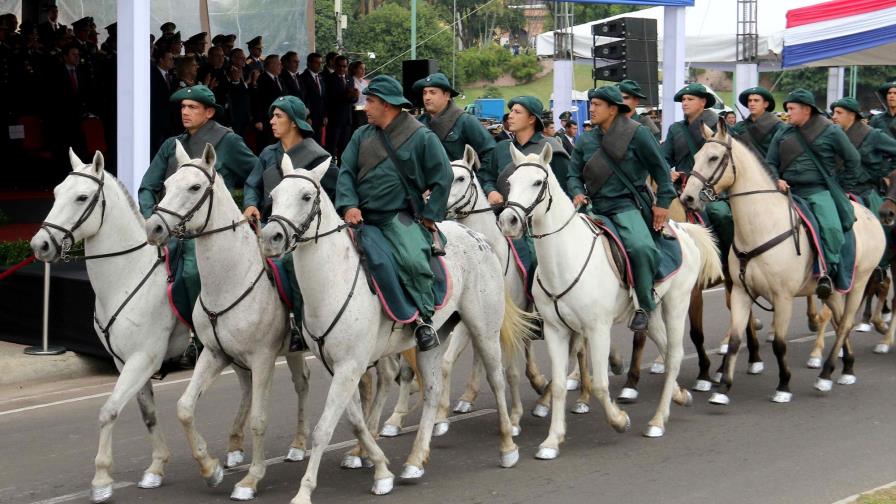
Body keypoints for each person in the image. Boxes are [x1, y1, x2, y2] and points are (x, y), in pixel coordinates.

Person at [335, 75, 451, 351]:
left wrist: (430, 215)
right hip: (359, 217)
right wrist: (349, 205)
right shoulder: (361, 135)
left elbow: (443, 176)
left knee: (412, 261)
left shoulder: (421, 137)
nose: (366, 108)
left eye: (370, 102)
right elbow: (347, 172)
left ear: (387, 105)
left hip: (395, 217)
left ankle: (423, 320)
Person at [138, 85, 260, 305]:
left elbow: (258, 176)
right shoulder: (171, 145)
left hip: (210, 233)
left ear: (209, 112)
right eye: (183, 107)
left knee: (191, 274)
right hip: (168, 227)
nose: (185, 112)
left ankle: (197, 331)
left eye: (192, 107)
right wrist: (150, 217)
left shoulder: (228, 141)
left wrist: (250, 203)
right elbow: (147, 186)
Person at [569, 86, 675, 331]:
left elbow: (661, 170)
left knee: (641, 247)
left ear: (613, 109)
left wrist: (663, 204)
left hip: (625, 205)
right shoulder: (585, 139)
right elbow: (573, 175)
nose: (591, 109)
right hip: (593, 207)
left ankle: (644, 305)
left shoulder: (638, 134)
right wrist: (577, 192)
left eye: (596, 105)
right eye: (591, 104)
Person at [766, 89, 864, 298]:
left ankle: (828, 272)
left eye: (791, 109)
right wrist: (776, 179)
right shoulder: (783, 132)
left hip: (817, 190)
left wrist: (843, 187)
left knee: (831, 228)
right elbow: (770, 163)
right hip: (787, 192)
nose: (788, 113)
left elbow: (853, 159)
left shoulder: (831, 131)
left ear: (806, 110)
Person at [662, 83, 733, 265]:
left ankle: (727, 259)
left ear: (703, 102)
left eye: (690, 99)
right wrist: (668, 172)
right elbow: (665, 158)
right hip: (681, 187)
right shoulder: (675, 129)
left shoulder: (718, 127)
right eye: (683, 100)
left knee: (720, 214)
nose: (685, 103)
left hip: (711, 188)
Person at [244, 96, 336, 222]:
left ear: (294, 122)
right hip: (267, 225)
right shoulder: (268, 153)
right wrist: (251, 204)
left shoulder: (318, 157)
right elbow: (252, 185)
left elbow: (337, 191)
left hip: (300, 231)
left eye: (278, 116)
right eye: (272, 116)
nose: (272, 121)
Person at [413, 72, 495, 195]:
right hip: (426, 192)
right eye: (425, 93)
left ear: (446, 95)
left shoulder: (465, 120)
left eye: (432, 92)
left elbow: (490, 152)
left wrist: (480, 181)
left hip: (458, 193)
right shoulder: (418, 123)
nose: (427, 97)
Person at [831, 97, 896, 213]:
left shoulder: (873, 135)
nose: (834, 116)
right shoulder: (834, 136)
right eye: (834, 113)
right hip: (839, 189)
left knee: (883, 227)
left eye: (839, 113)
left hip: (865, 193)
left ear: (852, 115)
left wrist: (888, 173)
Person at [729, 86, 783, 157]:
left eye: (756, 100)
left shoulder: (777, 126)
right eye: (749, 100)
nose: (752, 103)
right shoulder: (739, 127)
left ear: (766, 104)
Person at [324, 55, 357, 159]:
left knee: (344, 148)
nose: (342, 68)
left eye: (344, 66)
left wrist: (355, 96)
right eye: (340, 66)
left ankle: (343, 171)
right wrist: (347, 95)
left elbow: (352, 100)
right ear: (334, 66)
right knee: (331, 148)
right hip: (335, 119)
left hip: (347, 120)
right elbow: (328, 98)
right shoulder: (329, 79)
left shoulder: (350, 79)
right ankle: (330, 170)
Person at [252, 54, 283, 148]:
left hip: (278, 119)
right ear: (271, 65)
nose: (281, 66)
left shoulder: (279, 79)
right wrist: (257, 120)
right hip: (266, 120)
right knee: (267, 146)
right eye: (278, 64)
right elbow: (257, 100)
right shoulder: (262, 79)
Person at [300, 52, 327, 145]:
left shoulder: (320, 77)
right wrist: (307, 116)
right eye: (317, 63)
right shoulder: (303, 78)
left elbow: (323, 98)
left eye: (321, 63)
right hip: (310, 118)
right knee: (309, 143)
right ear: (309, 63)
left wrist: (324, 115)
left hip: (320, 118)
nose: (319, 65)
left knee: (318, 143)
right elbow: (304, 99)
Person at [349, 59, 369, 130]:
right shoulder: (351, 81)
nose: (363, 71)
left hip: (365, 110)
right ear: (355, 69)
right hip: (356, 111)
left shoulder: (365, 82)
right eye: (361, 68)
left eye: (364, 69)